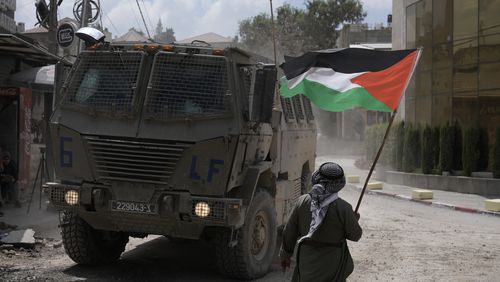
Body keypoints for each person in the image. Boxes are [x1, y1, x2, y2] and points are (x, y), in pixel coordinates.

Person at [280, 162, 362, 282]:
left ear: (317, 178)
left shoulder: (302, 201)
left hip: (306, 264)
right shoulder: (344, 208)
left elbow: (289, 232)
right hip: (332, 266)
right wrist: (354, 221)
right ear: (339, 183)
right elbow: (355, 235)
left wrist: (285, 255)